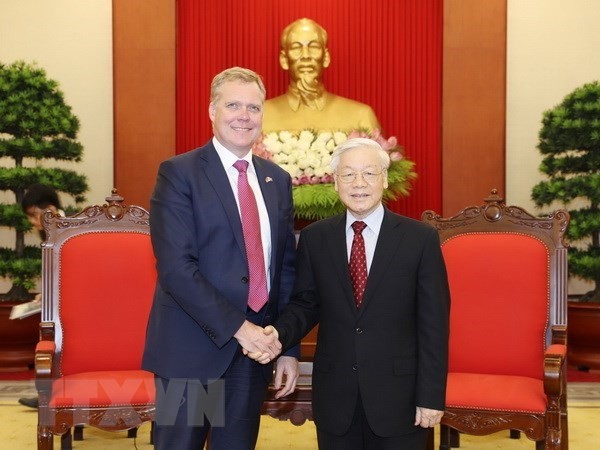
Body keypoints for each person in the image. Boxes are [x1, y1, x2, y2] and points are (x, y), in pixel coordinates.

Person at [142, 67, 299, 450]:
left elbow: (285, 271)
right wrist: (240, 329)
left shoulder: (276, 180)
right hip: (193, 352)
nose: (244, 116)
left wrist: (288, 348)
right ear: (212, 110)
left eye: (253, 107)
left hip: (254, 355)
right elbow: (177, 270)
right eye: (233, 105)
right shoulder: (179, 174)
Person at [263, 138, 451, 449]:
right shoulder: (315, 238)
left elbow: (434, 326)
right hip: (336, 397)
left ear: (385, 179)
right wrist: (277, 335)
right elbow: (305, 304)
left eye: (369, 173)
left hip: (400, 400)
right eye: (348, 174)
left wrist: (430, 397)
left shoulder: (420, 240)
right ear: (335, 183)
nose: (359, 183)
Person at [263, 18, 381, 134]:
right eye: (296, 47)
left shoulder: (360, 117)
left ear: (326, 58)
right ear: (284, 59)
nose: (305, 55)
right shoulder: (260, 116)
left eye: (314, 47)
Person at [18, 183, 64, 409]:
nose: (32, 223)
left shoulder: (71, 228)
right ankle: (47, 395)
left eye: (34, 216)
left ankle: (56, 395)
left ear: (52, 210)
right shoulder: (46, 231)